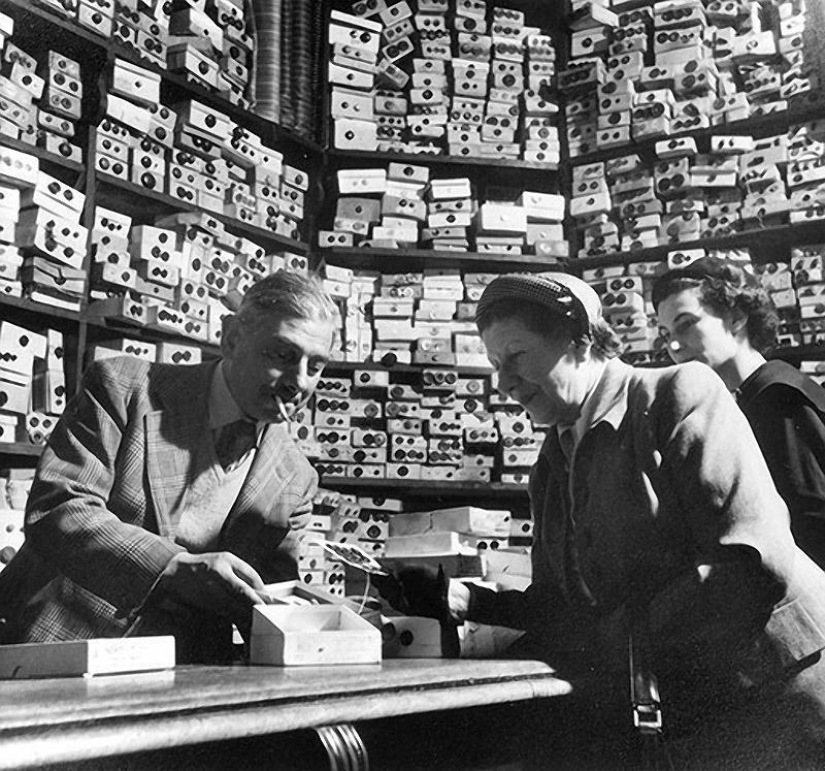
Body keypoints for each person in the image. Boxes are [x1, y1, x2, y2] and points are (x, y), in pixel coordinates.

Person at [377, 272, 825, 769]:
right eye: (496, 365)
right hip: (690, 704)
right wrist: (462, 599)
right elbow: (561, 606)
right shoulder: (552, 460)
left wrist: (610, 640)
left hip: (778, 696)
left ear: (580, 338)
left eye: (517, 356)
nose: (504, 382)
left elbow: (750, 562)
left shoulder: (676, 393)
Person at [0, 270, 337, 663]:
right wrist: (173, 566)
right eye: (282, 355)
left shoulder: (296, 478)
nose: (299, 381)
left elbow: (270, 603)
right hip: (53, 650)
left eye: (316, 366)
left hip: (181, 679)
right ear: (232, 339)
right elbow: (58, 509)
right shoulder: (125, 388)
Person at [653, 257, 825, 569]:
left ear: (736, 317)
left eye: (686, 324)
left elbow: (813, 528)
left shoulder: (777, 399)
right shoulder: (753, 396)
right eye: (665, 334)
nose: (674, 345)